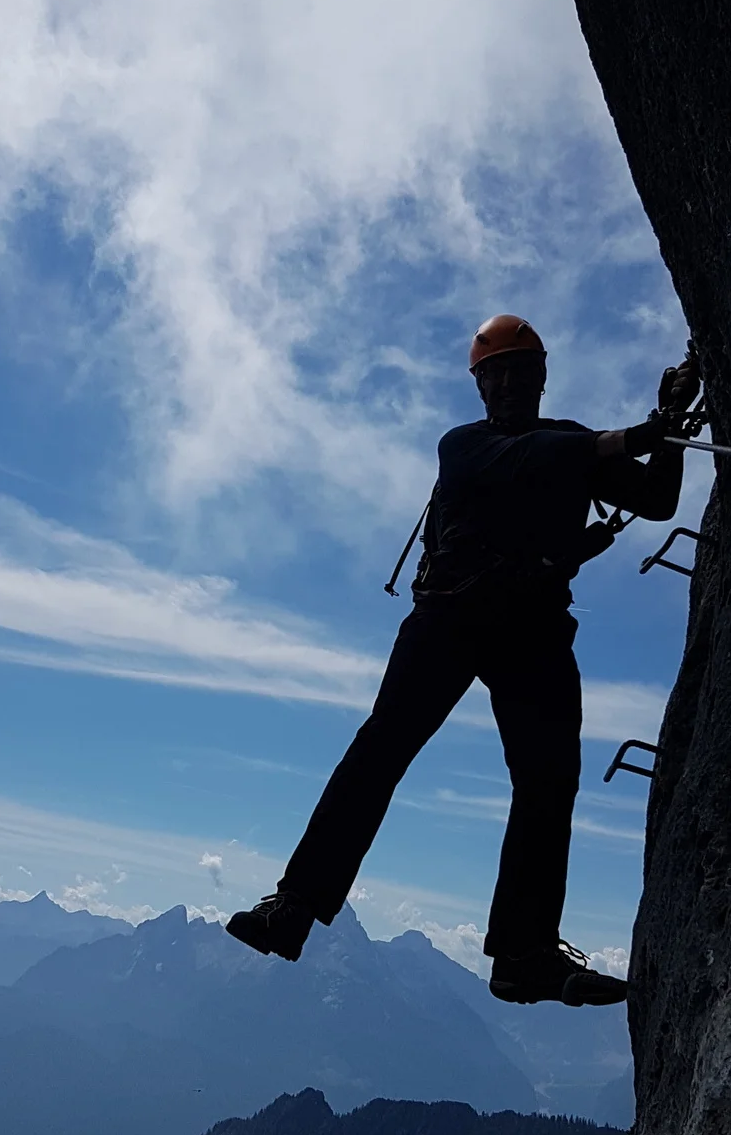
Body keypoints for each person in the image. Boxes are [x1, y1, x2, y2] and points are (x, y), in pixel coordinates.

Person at [227, 314, 699, 1006]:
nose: (507, 384)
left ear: (540, 376)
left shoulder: (573, 443)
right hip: (452, 617)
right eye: (495, 374)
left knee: (546, 779)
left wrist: (672, 427)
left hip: (529, 623)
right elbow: (537, 459)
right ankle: (295, 904)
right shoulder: (465, 446)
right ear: (479, 385)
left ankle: (524, 953)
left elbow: (656, 501)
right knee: (381, 749)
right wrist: (636, 435)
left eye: (519, 372)